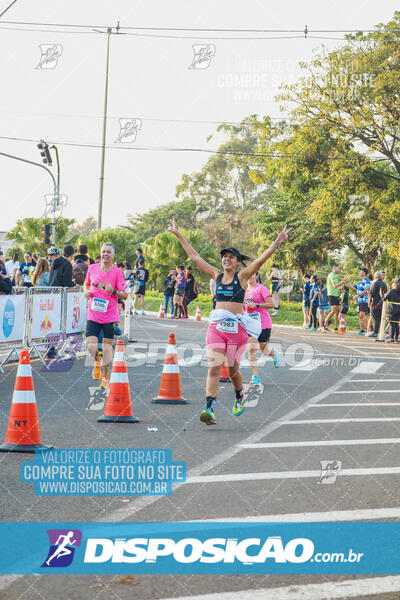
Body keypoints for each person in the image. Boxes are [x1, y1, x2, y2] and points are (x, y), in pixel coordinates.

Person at [168, 218, 291, 425]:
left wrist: (276, 243)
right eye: (224, 256)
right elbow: (195, 257)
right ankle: (210, 409)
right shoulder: (216, 275)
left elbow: (260, 261)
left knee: (233, 369)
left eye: (231, 257)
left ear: (236, 261)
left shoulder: (242, 277)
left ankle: (239, 395)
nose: (226, 259)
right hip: (216, 328)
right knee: (214, 366)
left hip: (236, 331)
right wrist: (179, 235)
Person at [83, 242, 128, 387]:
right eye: (103, 252)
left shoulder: (117, 272)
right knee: (90, 344)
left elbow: (125, 295)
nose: (105, 254)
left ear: (113, 255)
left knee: (107, 348)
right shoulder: (92, 268)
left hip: (110, 315)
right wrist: (86, 291)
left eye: (108, 252)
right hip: (93, 313)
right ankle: (97, 359)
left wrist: (114, 291)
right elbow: (86, 284)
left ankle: (105, 375)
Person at [244, 272, 280, 385]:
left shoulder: (262, 289)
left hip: (263, 323)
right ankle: (255, 376)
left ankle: (273, 354)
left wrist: (257, 305)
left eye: (252, 274)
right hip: (250, 325)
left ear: (256, 276)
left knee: (263, 350)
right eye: (248, 274)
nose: (250, 276)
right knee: (251, 349)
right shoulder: (243, 290)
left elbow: (272, 304)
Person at [323, 264, 348, 332]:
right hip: (331, 294)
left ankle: (336, 327)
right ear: (334, 268)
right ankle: (324, 325)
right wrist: (343, 282)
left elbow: (337, 286)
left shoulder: (336, 276)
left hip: (336, 295)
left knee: (337, 311)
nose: (340, 270)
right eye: (339, 268)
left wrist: (341, 288)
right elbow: (334, 286)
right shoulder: (331, 275)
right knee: (333, 310)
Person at [348, 267, 371, 335]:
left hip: (364, 300)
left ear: (364, 273)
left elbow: (366, 290)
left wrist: (357, 296)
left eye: (360, 271)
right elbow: (353, 288)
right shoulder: (360, 282)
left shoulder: (367, 281)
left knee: (362, 315)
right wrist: (348, 282)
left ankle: (368, 330)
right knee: (359, 316)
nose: (359, 272)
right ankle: (362, 330)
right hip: (359, 301)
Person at [367, 271, 387, 338]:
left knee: (375, 319)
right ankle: (378, 331)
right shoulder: (384, 284)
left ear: (376, 277)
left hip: (375, 303)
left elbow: (372, 293)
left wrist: (368, 293)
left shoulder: (376, 283)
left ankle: (375, 332)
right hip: (382, 304)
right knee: (379, 319)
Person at [383, 279, 400, 343]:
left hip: (392, 310)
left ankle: (392, 338)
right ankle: (396, 338)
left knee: (392, 324)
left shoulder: (391, 291)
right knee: (396, 323)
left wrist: (383, 294)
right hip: (399, 310)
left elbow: (384, 298)